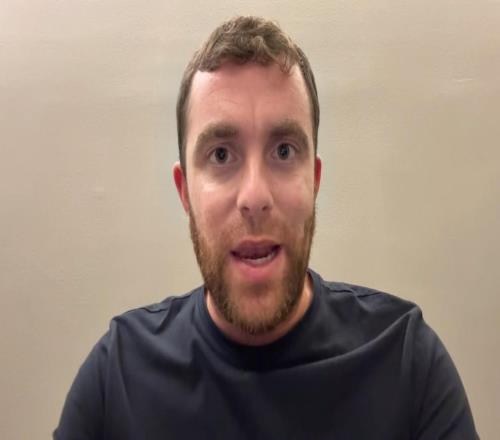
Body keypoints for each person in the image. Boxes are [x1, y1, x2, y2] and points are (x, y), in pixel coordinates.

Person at [54, 16, 479, 439]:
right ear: (185, 192)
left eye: (283, 151)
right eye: (221, 155)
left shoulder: (407, 364)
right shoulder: (119, 375)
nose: (254, 196)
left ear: (314, 180)